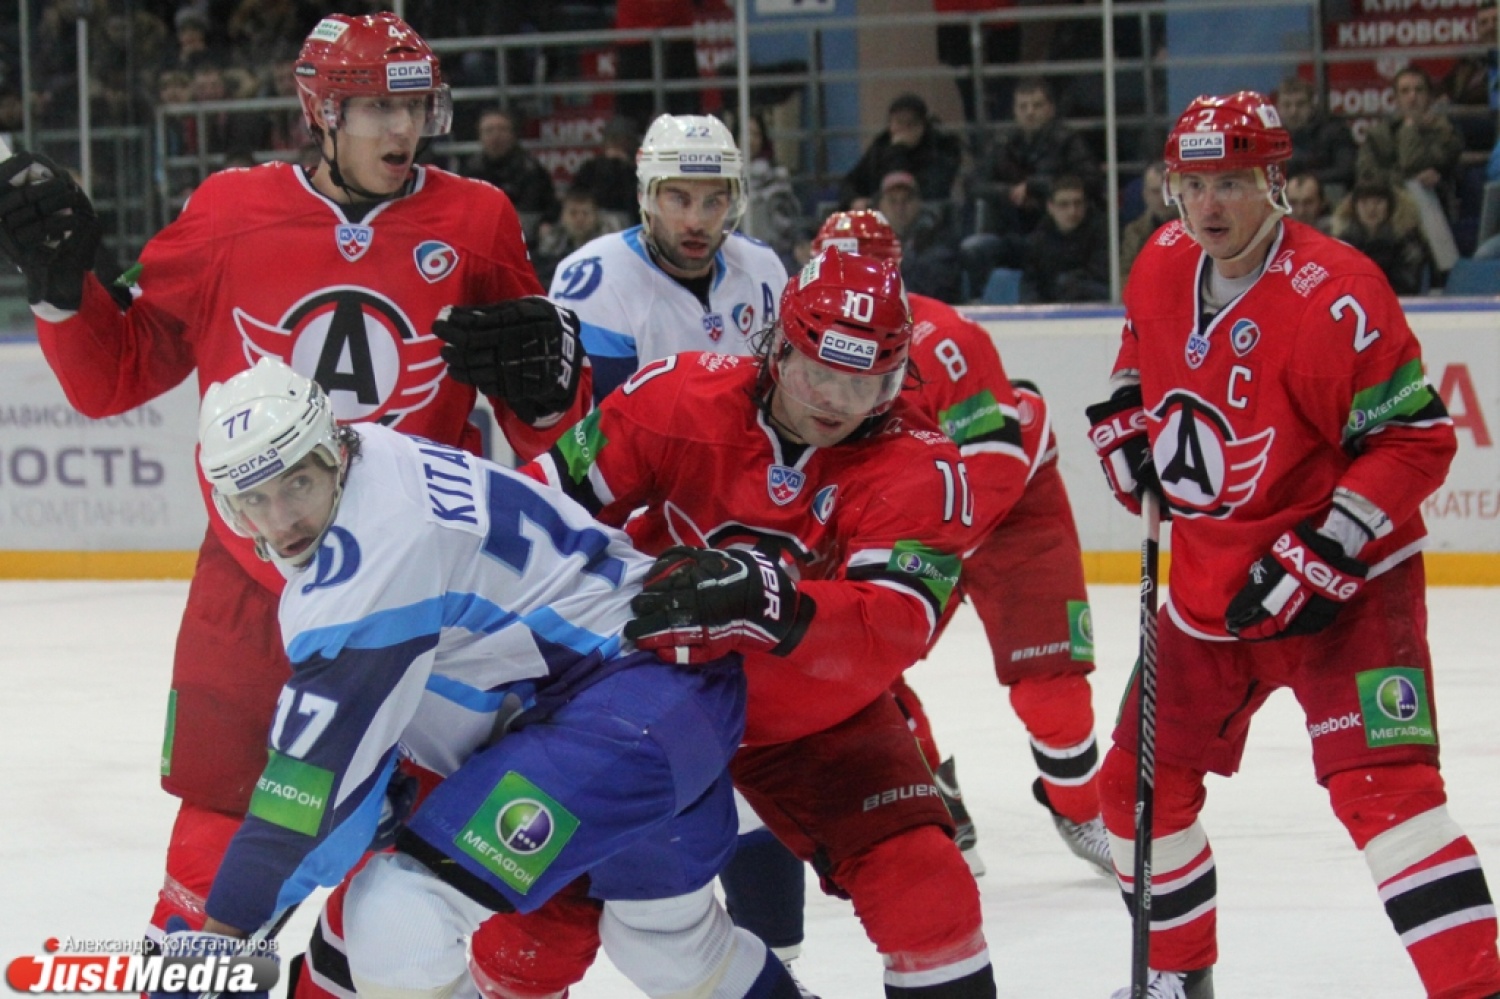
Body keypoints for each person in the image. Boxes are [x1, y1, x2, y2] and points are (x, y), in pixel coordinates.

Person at [0, 7, 590, 979]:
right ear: (322, 112)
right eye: (376, 108)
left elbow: (547, 436)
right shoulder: (230, 212)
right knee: (210, 891)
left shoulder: (476, 221)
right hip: (252, 601)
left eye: (415, 108)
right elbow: (118, 375)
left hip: (420, 609)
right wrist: (65, 293)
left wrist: (553, 389)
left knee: (410, 891)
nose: (402, 130)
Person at [161, 356, 800, 999]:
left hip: (622, 715)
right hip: (672, 704)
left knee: (397, 923)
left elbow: (308, 795)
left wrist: (223, 936)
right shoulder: (377, 453)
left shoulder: (365, 565)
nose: (282, 522)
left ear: (333, 453)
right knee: (668, 945)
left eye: (296, 484)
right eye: (254, 500)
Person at [477, 248, 998, 999]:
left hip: (808, 717)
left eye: (865, 383)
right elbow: (538, 513)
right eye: (817, 372)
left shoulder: (920, 464)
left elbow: (898, 622)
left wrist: (771, 603)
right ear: (776, 348)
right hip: (646, 699)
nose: (835, 401)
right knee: (533, 932)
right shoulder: (675, 393)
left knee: (926, 889)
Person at [1085, 90, 1500, 999]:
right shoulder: (1161, 261)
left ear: (1275, 182)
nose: (1210, 206)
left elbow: (1416, 440)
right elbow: (1138, 354)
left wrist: (1328, 546)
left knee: (1389, 802)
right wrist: (1123, 416)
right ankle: (1177, 977)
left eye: (1232, 183)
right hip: (1209, 590)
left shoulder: (1339, 292)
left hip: (1347, 595)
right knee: (1137, 789)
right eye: (1193, 185)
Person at [549, 112, 789, 401]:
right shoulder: (597, 282)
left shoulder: (762, 267)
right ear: (645, 197)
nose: (696, 222)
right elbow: (601, 420)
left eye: (713, 201)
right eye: (678, 199)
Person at [960, 77, 1102, 297]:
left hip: (1055, 236)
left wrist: (1035, 187)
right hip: (1012, 233)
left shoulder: (1068, 142)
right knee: (973, 249)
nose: (1029, 112)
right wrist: (1008, 193)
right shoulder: (1003, 143)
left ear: (1051, 109)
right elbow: (972, 184)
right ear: (1014, 110)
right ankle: (978, 307)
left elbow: (1090, 180)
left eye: (1037, 105)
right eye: (1023, 106)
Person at [1358, 66, 1466, 273]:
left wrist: (1409, 128)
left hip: (1435, 202)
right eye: (1405, 91)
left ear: (1429, 97)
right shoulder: (1378, 134)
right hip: (1388, 202)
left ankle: (1444, 274)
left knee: (1421, 193)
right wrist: (1406, 180)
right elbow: (1367, 174)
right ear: (1396, 98)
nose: (1412, 97)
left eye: (1419, 90)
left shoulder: (1445, 132)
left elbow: (1412, 161)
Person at [838, 92, 964, 210]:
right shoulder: (882, 144)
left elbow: (921, 191)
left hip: (924, 215)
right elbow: (851, 181)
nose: (904, 129)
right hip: (879, 214)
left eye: (910, 123)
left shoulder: (941, 147)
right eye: (899, 122)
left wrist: (899, 151)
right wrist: (853, 200)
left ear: (922, 126)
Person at [1331, 176, 1430, 296]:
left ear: (1390, 206)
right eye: (1364, 203)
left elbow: (1408, 283)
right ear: (1354, 207)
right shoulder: (1342, 243)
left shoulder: (1407, 241)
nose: (1371, 209)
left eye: (1378, 202)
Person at [461, 106, 562, 225]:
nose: (496, 136)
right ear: (480, 136)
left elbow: (535, 210)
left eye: (502, 130)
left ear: (513, 134)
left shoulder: (531, 170)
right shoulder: (470, 170)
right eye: (489, 130)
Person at [1018, 174, 1109, 304]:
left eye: (1078, 203)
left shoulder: (1101, 232)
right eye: (1063, 205)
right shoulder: (1039, 239)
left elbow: (1100, 275)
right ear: (1050, 207)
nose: (1072, 211)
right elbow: (1030, 281)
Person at [877, 170, 964, 304]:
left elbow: (936, 284)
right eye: (892, 201)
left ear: (919, 203)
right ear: (881, 206)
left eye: (907, 200)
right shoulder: (869, 242)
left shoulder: (939, 236)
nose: (900, 208)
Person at [1274, 76, 1357, 201]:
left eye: (1300, 104)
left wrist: (1309, 179)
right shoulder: (1270, 136)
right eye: (1287, 105)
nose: (1293, 111)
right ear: (1278, 108)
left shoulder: (1334, 130)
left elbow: (1347, 170)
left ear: (1312, 106)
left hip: (1324, 197)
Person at [531, 185, 622, 287]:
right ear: (563, 216)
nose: (579, 219)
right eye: (573, 213)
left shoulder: (608, 241)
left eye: (585, 213)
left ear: (596, 216)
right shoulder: (554, 238)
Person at [1120, 161, 1175, 277]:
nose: (1162, 198)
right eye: (1155, 192)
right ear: (1145, 194)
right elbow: (1126, 274)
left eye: (1167, 191)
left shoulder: (1194, 229)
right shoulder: (1134, 232)